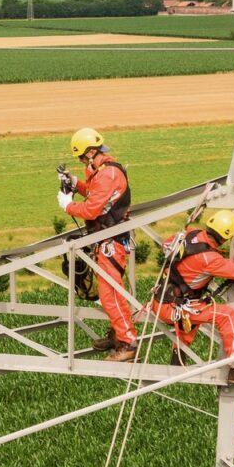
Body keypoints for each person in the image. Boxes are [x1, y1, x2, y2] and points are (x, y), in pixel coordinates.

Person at [150, 209, 234, 387]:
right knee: (226, 315)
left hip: (163, 299)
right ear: (226, 237)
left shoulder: (191, 234)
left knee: (195, 311)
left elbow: (167, 244)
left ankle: (178, 359)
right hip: (172, 307)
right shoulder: (210, 259)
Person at [57, 127, 139, 362]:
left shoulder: (107, 174)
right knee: (112, 292)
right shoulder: (101, 171)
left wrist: (68, 206)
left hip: (111, 240)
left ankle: (128, 342)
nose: (82, 160)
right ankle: (119, 333)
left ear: (92, 152)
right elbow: (95, 194)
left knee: (109, 293)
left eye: (83, 156)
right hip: (107, 238)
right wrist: (75, 184)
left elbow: (92, 209)